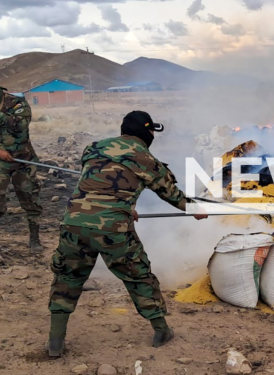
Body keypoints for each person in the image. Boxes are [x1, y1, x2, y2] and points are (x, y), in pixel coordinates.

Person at [47, 111, 208, 357]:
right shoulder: (146, 159)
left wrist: (126, 206)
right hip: (113, 229)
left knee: (67, 278)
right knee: (138, 275)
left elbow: (99, 182)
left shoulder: (93, 148)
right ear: (146, 132)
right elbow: (170, 193)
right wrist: (196, 210)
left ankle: (55, 343)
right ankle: (161, 330)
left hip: (73, 223)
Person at [0, 85, 43, 253]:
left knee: (30, 199)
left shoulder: (18, 103)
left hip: (22, 160)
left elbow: (20, 125)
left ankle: (34, 239)